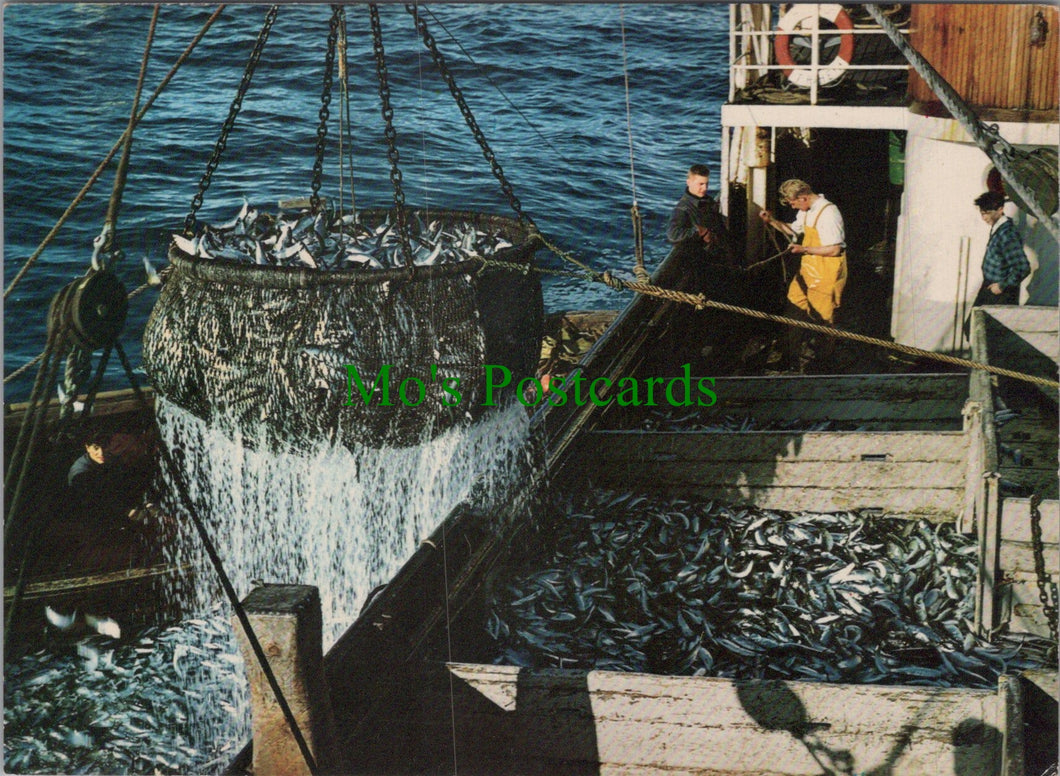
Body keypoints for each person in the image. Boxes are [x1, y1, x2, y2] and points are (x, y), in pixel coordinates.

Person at [758, 179, 848, 370]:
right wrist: (772, 221)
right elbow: (793, 230)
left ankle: (822, 363)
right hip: (808, 270)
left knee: (823, 320)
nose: (792, 207)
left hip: (826, 274)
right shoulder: (806, 210)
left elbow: (834, 249)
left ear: (804, 197)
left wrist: (804, 249)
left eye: (793, 203)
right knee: (793, 309)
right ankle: (789, 357)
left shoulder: (829, 214)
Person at [972, 190, 1031, 307]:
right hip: (990, 287)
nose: (983, 218)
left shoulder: (1007, 234)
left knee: (984, 324)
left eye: (987, 213)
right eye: (982, 213)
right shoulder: (997, 227)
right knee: (976, 322)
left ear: (1000, 209)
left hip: (1002, 293)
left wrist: (1001, 286)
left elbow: (1022, 268)